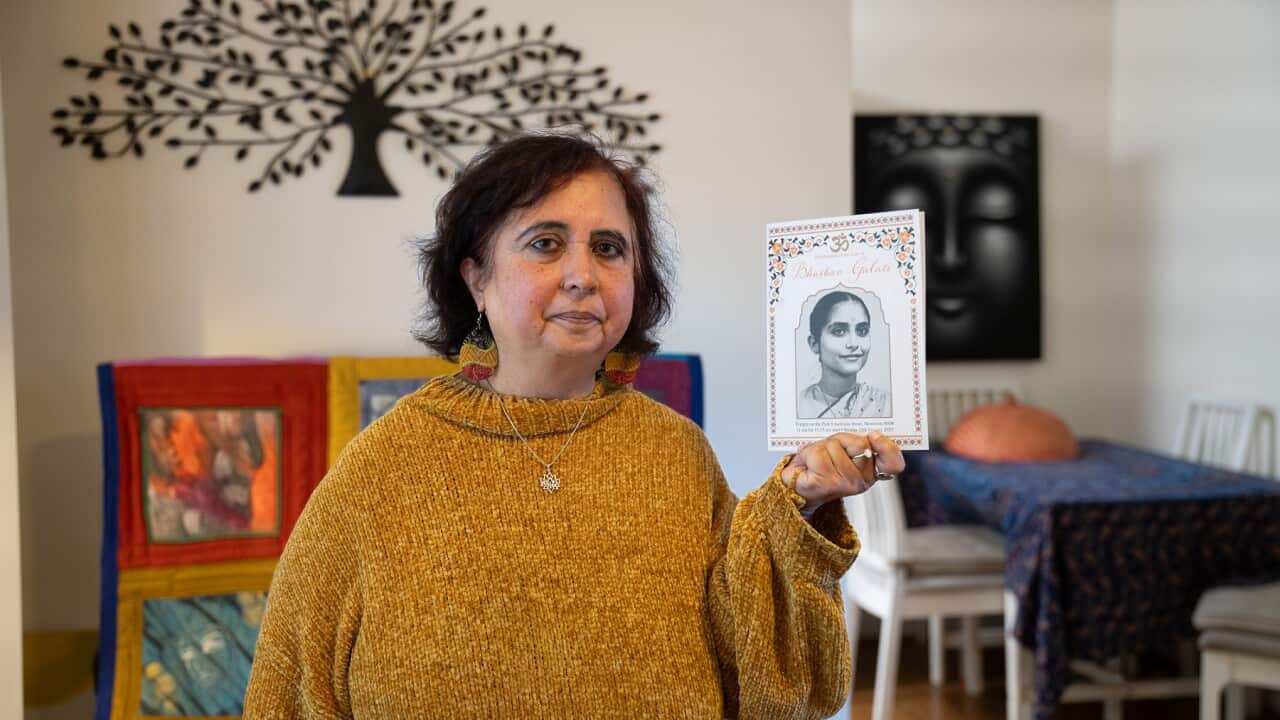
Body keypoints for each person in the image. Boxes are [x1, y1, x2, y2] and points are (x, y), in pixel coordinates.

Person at [243, 132, 904, 719]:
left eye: (609, 249)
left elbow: (765, 683)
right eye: (545, 243)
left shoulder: (677, 453)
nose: (583, 276)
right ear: (476, 277)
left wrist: (798, 503)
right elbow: (288, 692)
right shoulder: (383, 468)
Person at [797, 291, 890, 419]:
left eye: (862, 331)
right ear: (814, 344)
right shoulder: (798, 405)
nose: (854, 343)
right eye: (839, 331)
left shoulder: (885, 404)